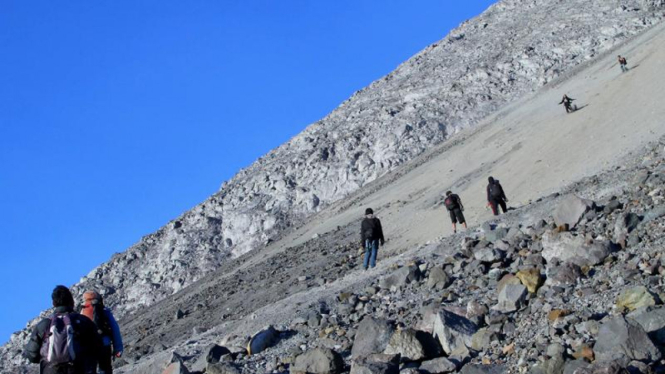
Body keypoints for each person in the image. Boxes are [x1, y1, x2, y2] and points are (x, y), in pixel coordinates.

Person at [24, 285, 103, 374]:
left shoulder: (44, 325)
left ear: (53, 303)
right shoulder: (84, 322)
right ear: (72, 302)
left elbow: (32, 355)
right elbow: (98, 347)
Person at [80, 291, 123, 374]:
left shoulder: (82, 312)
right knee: (105, 369)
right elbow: (115, 329)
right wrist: (118, 348)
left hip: (88, 347)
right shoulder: (104, 310)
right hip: (104, 344)